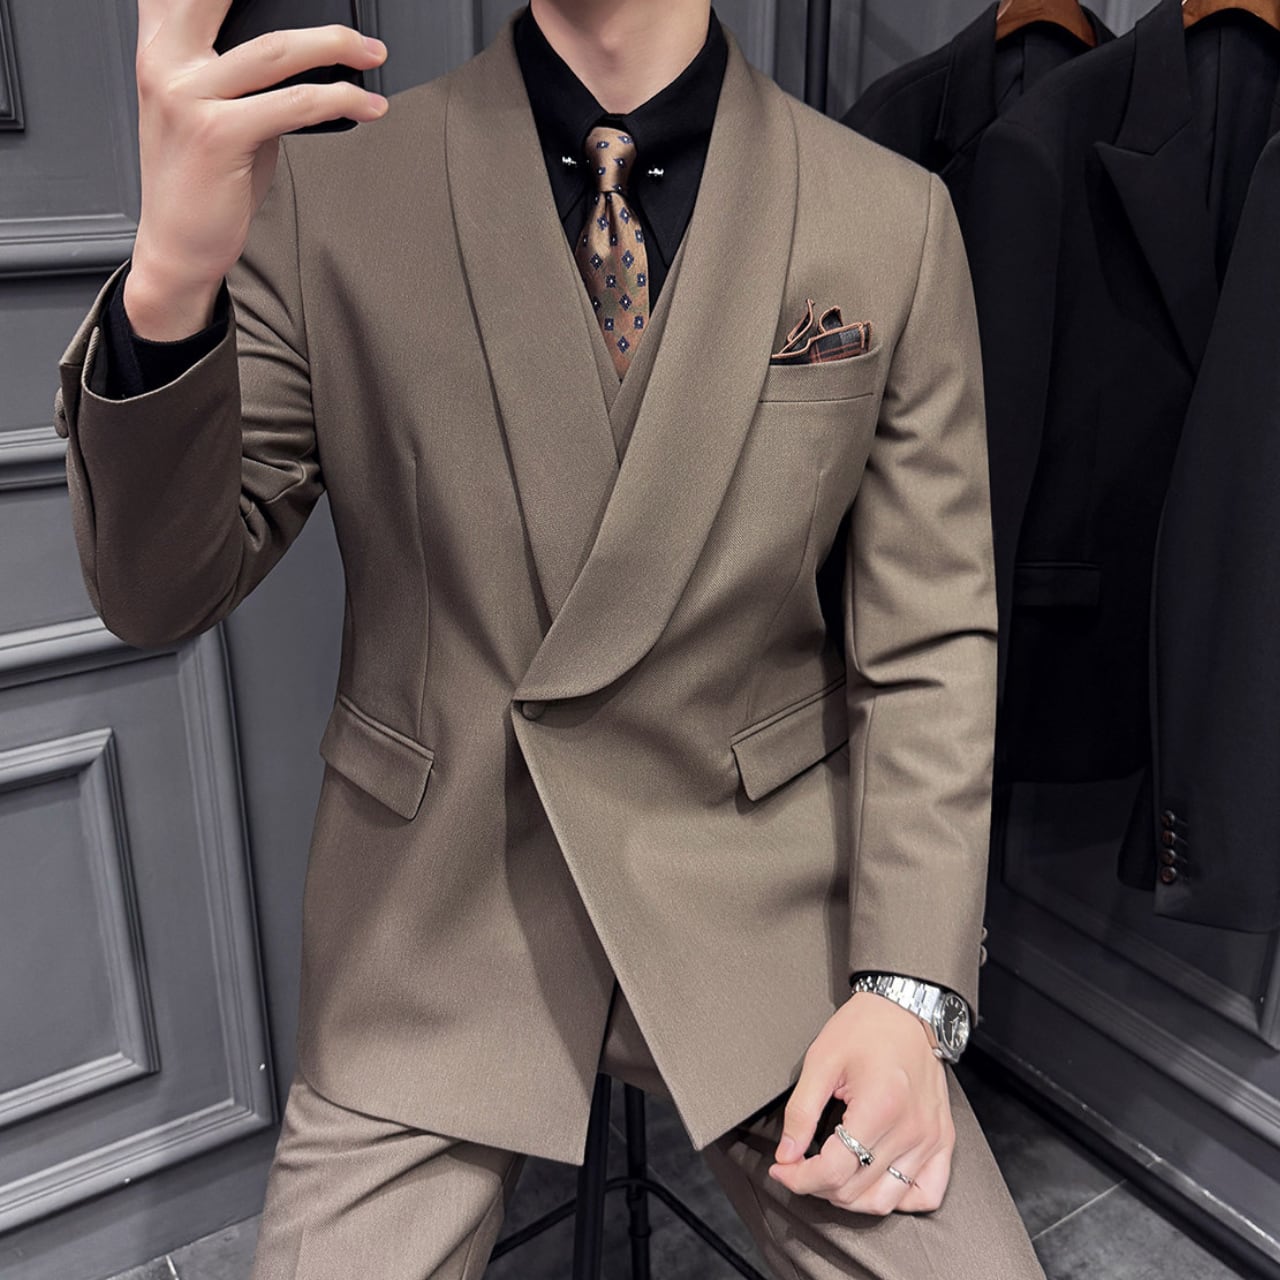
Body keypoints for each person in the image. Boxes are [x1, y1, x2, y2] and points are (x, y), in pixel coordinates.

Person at [51, 2, 1045, 1277]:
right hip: (436, 918)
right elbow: (157, 591)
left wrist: (908, 988)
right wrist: (170, 282)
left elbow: (929, 639)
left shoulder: (886, 217)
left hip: (760, 916)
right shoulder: (332, 193)